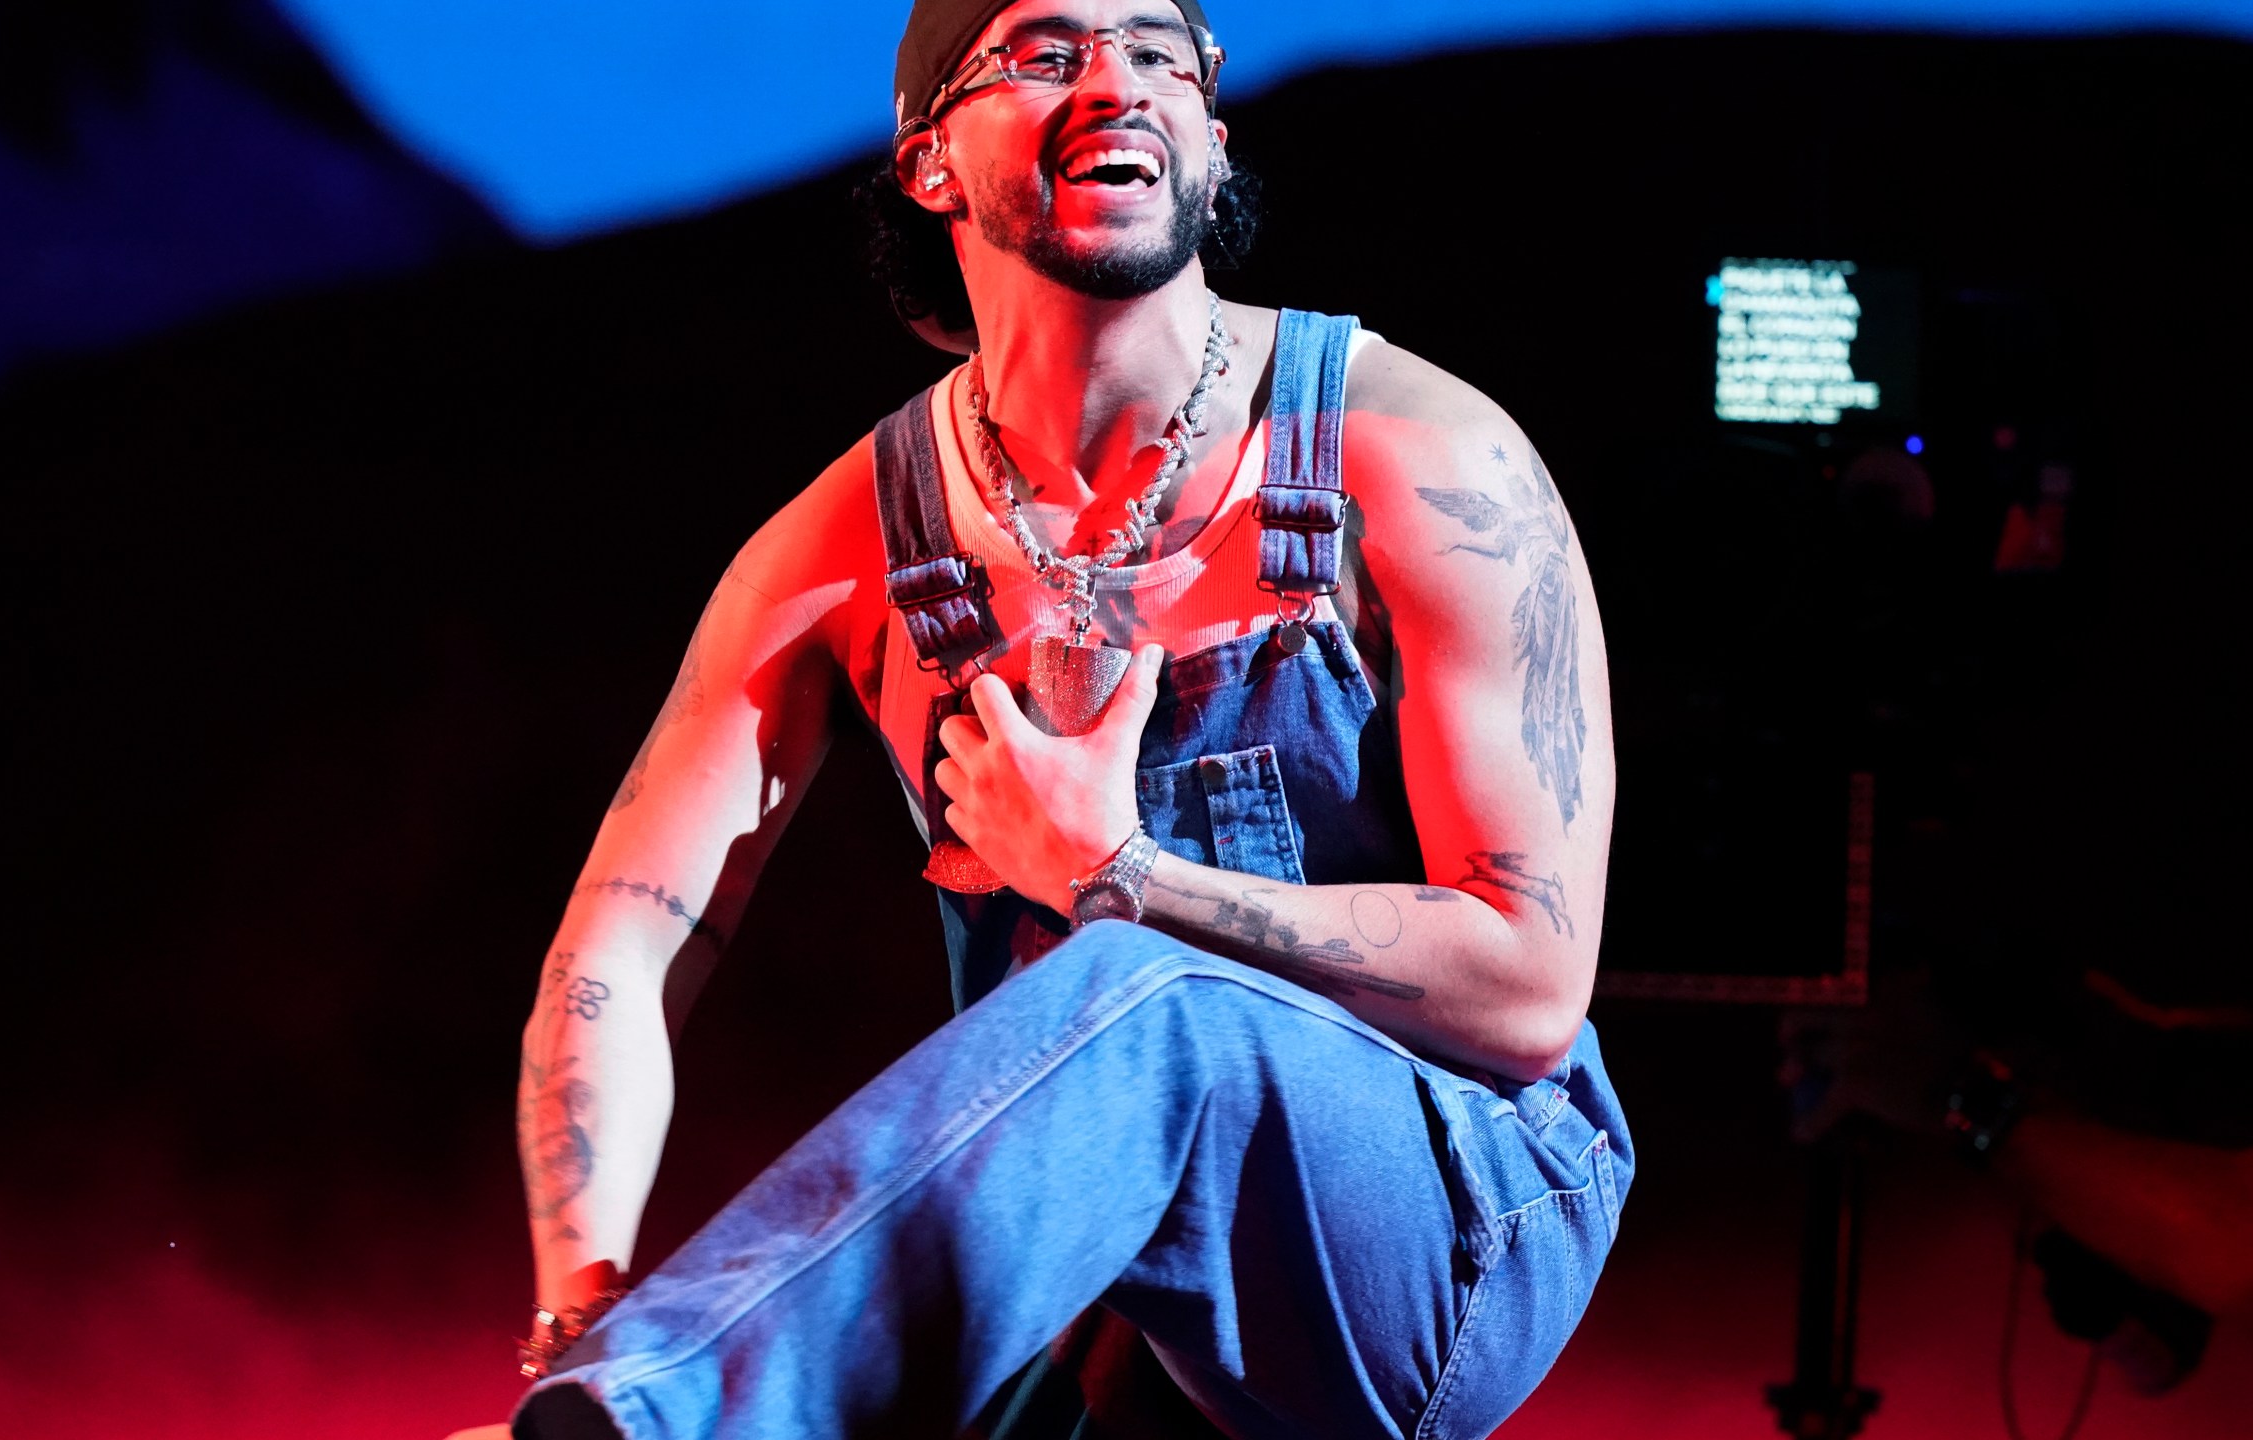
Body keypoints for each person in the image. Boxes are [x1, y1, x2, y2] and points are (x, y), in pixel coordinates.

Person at [505, 1, 1629, 1434]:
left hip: (1459, 1212)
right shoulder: (852, 541)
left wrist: (1121, 875)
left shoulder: (1420, 459)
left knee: (1145, 1000)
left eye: (1159, 53)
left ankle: (675, 1422)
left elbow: (1532, 988)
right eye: (1048, 53)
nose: (1116, 83)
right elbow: (623, 945)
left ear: (1213, 148)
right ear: (931, 163)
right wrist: (574, 1304)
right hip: (1110, 1274)